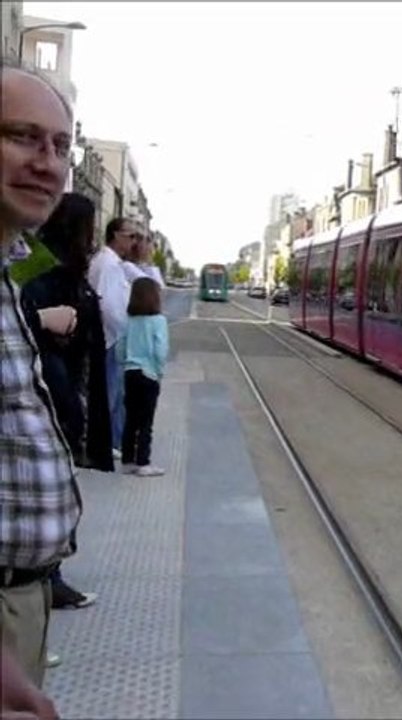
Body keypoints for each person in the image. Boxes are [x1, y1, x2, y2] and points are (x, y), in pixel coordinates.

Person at [1, 58, 82, 698]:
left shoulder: (10, 269)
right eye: (22, 137)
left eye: (60, 146)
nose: (47, 163)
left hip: (20, 599)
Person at [18, 193, 109, 615]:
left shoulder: (64, 266)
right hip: (49, 391)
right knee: (47, 484)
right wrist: (47, 320)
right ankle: (45, 580)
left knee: (56, 483)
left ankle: (48, 576)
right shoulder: (41, 266)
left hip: (64, 383)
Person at [88, 217, 138, 455]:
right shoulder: (108, 264)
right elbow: (107, 305)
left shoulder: (111, 262)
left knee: (116, 393)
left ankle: (115, 441)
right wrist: (124, 332)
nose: (134, 242)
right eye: (131, 236)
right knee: (110, 393)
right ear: (116, 235)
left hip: (112, 336)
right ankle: (104, 444)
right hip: (111, 337)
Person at [119, 277, 168, 476]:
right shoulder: (159, 321)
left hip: (130, 373)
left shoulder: (128, 321)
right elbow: (160, 350)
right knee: (146, 421)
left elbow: (120, 348)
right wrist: (159, 371)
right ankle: (143, 463)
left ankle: (127, 460)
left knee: (130, 419)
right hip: (149, 374)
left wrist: (125, 362)